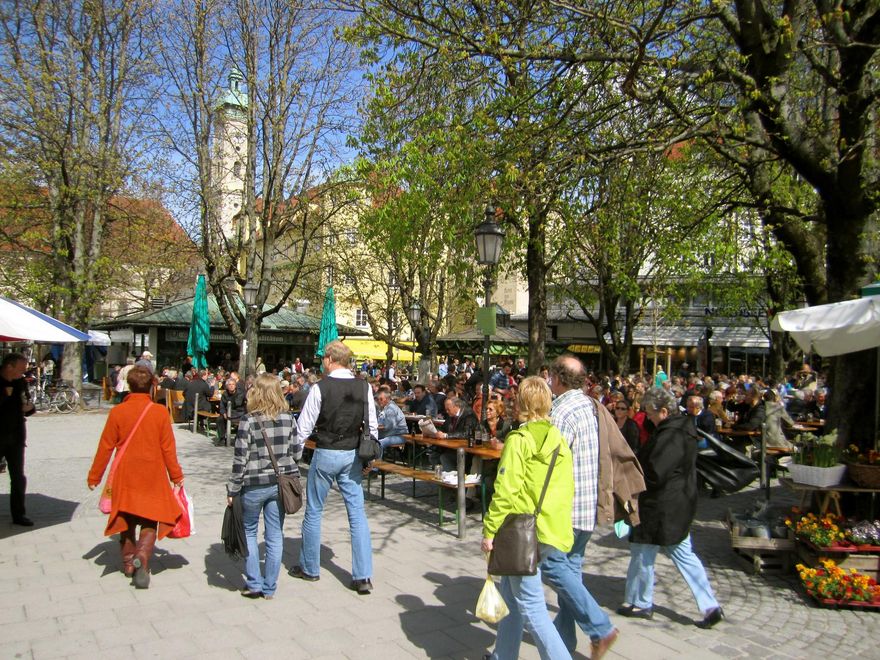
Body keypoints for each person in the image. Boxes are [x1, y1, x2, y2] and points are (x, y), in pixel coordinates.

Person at [482, 376, 575, 660]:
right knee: (511, 596)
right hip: (548, 528)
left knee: (532, 608)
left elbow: (506, 489)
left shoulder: (519, 440)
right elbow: (566, 487)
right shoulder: (558, 439)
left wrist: (489, 529)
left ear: (521, 403)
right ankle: (503, 655)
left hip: (521, 530)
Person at [540, 355, 624, 659]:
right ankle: (562, 643)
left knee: (552, 565)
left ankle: (600, 627)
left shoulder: (561, 410)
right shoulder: (591, 405)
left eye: (551, 375)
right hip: (588, 504)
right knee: (570, 573)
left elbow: (550, 463)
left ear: (558, 378)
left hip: (566, 508)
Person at [618, 387, 724, 628]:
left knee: (644, 551)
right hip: (675, 503)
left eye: (651, 413)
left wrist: (634, 473)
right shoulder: (680, 428)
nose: (649, 418)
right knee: (678, 553)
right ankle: (709, 605)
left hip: (661, 505)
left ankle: (641, 602)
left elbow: (657, 472)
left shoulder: (672, 434)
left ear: (664, 411)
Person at [291, 340, 376, 594]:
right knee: (357, 514)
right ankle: (362, 576)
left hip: (326, 451)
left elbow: (303, 427)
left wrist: (293, 456)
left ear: (329, 358)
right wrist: (369, 457)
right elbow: (371, 425)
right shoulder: (363, 387)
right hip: (352, 453)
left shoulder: (320, 388)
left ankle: (310, 567)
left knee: (315, 509)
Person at [87, 366, 184, 588]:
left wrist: (95, 476)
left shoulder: (118, 412)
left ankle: (129, 563)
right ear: (152, 386)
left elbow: (105, 447)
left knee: (126, 519)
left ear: (129, 386)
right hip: (152, 473)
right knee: (150, 518)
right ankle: (143, 556)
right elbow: (168, 449)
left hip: (125, 474)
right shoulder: (159, 413)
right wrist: (176, 475)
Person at [226, 373, 301, 599]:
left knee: (249, 530)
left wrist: (232, 489)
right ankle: (270, 587)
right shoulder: (289, 419)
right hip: (280, 484)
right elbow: (297, 453)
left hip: (254, 483)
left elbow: (240, 460)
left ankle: (254, 582)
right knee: (275, 534)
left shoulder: (249, 421)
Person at [0, 353, 36, 526]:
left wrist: (29, 408)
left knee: (18, 477)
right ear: (9, 367)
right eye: (21, 369)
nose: (23, 372)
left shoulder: (20, 382)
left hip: (16, 436)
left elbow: (26, 404)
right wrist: (5, 396)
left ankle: (19, 514)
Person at [376, 390, 408, 459]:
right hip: (390, 434)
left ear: (387, 399)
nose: (379, 401)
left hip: (400, 436)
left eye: (381, 399)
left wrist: (374, 427)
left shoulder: (391, 408)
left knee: (378, 443)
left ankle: (376, 467)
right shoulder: (384, 408)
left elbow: (388, 426)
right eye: (378, 399)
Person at [218, 377, 247, 446]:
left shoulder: (241, 393)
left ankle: (238, 438)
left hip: (239, 414)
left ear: (235, 385)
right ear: (227, 386)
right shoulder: (225, 394)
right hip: (228, 413)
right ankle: (222, 438)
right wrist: (223, 413)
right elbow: (221, 406)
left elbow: (241, 404)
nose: (231, 386)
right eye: (229, 385)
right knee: (219, 419)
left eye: (233, 384)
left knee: (243, 421)